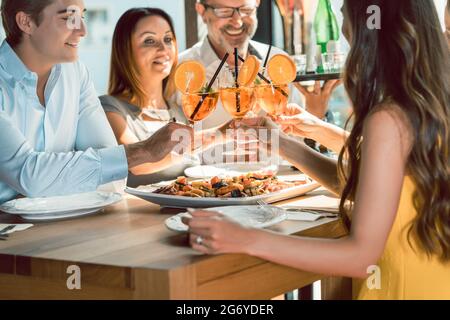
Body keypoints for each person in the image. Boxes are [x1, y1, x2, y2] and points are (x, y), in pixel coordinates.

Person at [184, 0, 450, 299]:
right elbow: (367, 190)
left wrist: (246, 238)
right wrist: (282, 144)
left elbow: (360, 257)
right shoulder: (430, 103)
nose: (341, 22)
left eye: (346, 14)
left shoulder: (388, 119)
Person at [0, 0, 193, 205]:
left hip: (70, 221)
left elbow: (112, 179)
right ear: (26, 22)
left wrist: (66, 175)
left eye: (81, 17)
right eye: (68, 18)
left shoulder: (75, 73)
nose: (82, 30)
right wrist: (143, 151)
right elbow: (29, 175)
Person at [173, 0, 340, 133]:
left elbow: (297, 142)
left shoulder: (277, 62)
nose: (237, 22)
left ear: (257, 4)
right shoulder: (180, 71)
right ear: (202, 11)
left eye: (246, 10)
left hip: (275, 175)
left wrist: (316, 113)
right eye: (224, 12)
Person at [100, 8, 197, 187]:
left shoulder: (180, 109)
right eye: (149, 41)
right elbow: (139, 164)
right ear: (125, 50)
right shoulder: (108, 108)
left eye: (168, 39)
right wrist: (218, 135)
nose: (163, 49)